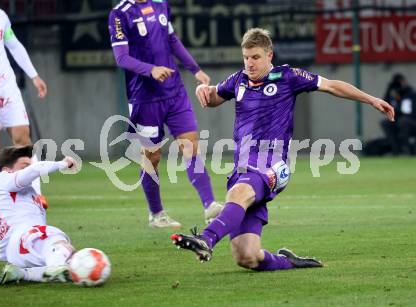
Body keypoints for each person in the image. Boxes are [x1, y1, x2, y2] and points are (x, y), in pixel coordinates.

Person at [171, 28, 395, 272]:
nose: (250, 63)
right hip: (243, 168)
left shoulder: (287, 76)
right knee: (247, 256)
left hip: (271, 166)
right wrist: (204, 91)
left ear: (269, 55)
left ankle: (206, 239)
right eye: (246, 57)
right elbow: (214, 98)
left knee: (238, 193)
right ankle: (288, 261)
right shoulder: (239, 80)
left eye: (255, 57)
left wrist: (372, 99)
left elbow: (331, 85)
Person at [108, 0, 222, 228]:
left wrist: (195, 69)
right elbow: (121, 58)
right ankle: (157, 214)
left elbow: (172, 40)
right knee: (152, 157)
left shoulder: (161, 4)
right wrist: (150, 70)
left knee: (190, 145)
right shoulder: (119, 14)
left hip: (175, 92)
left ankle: (210, 205)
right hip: (145, 98)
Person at [0, 0, 47, 188]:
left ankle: (35, 196)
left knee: (23, 138)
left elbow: (14, 45)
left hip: (5, 86)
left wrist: (34, 76)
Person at [0, 145, 77, 285]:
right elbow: (35, 169)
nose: (28, 168)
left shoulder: (27, 193)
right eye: (24, 166)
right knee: (58, 241)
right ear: (7, 170)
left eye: (29, 165)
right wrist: (63, 163)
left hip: (17, 251)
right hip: (23, 238)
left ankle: (21, 273)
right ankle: (56, 267)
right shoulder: (4, 178)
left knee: (71, 261)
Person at [381, 74, 416, 155]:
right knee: (385, 123)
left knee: (403, 122)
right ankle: (395, 150)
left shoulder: (411, 94)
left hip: (412, 122)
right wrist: (389, 89)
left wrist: (403, 90)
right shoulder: (394, 94)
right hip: (399, 121)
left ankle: (407, 150)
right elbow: (384, 107)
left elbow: (408, 112)